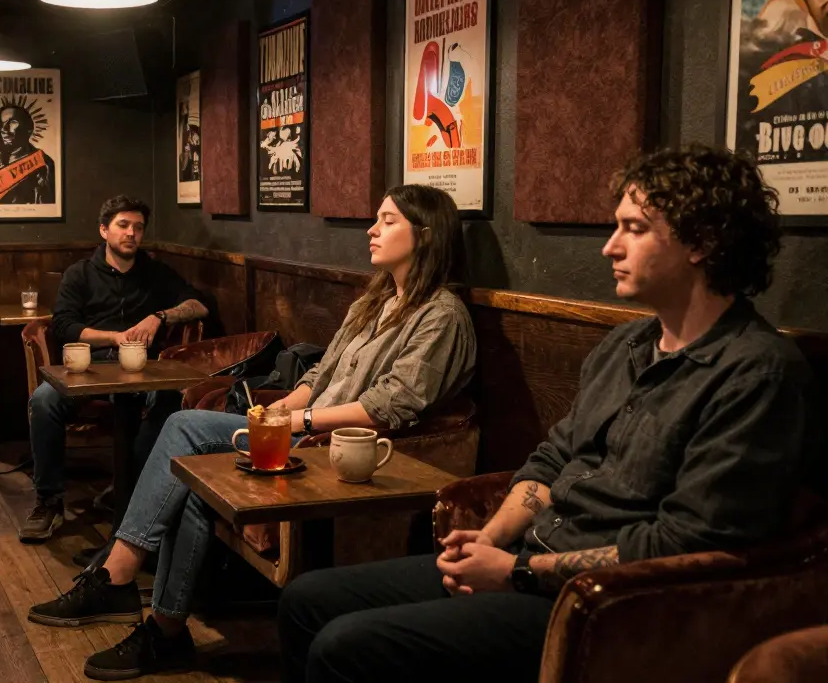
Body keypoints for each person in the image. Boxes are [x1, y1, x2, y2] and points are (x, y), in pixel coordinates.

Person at [277, 145, 822, 683]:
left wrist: (517, 572)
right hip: (529, 557)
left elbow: (684, 543)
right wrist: (491, 538)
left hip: (608, 608)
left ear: (702, 242)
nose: (610, 247)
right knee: (307, 598)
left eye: (634, 229)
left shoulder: (756, 372)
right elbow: (551, 460)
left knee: (346, 646)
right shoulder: (626, 345)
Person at [27, 184, 477, 680]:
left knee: (181, 425)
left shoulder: (441, 315)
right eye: (376, 218)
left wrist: (297, 422)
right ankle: (166, 631)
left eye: (388, 221)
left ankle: (117, 577)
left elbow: (391, 405)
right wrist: (280, 408)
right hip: (300, 430)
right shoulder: (374, 301)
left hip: (339, 449)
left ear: (426, 235)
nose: (372, 229)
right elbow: (319, 375)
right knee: (196, 482)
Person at [20, 194, 209, 543]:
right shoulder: (79, 274)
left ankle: (132, 489)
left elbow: (199, 305)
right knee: (44, 401)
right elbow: (63, 326)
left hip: (143, 368)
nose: (131, 233)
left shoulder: (155, 272)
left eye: (138, 227)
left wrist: (159, 316)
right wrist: (113, 337)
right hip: (89, 366)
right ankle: (49, 501)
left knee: (169, 402)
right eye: (123, 225)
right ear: (104, 230)